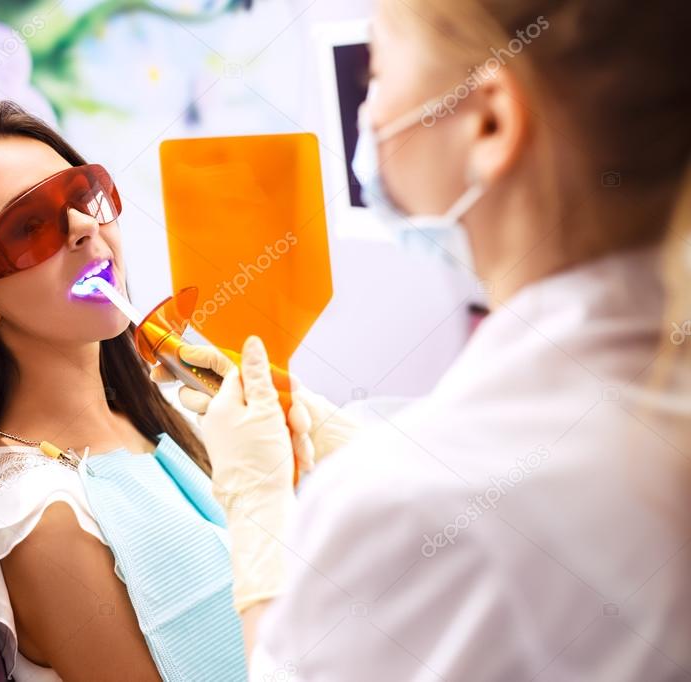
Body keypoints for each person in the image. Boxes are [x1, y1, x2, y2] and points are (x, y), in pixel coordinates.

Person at [156, 0, 691, 678]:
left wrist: (258, 511)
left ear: (489, 122)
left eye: (374, 70)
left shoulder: (415, 504)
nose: (368, 111)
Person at [0, 102, 245, 681]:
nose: (83, 226)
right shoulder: (46, 520)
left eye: (86, 194)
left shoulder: (162, 415)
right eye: (28, 226)